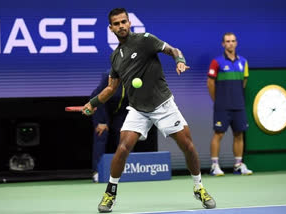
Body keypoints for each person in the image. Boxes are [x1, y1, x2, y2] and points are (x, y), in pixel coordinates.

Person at [83, 8, 216, 212]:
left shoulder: (145, 40)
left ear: (129, 23)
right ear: (111, 28)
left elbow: (173, 50)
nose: (121, 26)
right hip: (138, 110)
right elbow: (111, 88)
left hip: (163, 105)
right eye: (116, 24)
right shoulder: (115, 58)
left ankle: (199, 187)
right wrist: (92, 103)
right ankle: (110, 193)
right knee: (123, 147)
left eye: (124, 22)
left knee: (188, 146)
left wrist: (179, 61)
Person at [207, 32, 253, 176]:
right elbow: (210, 83)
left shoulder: (243, 62)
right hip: (222, 105)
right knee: (218, 134)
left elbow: (244, 82)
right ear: (223, 44)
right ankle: (214, 166)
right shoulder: (217, 62)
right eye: (227, 41)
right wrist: (218, 100)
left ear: (236, 43)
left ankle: (238, 165)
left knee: (239, 134)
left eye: (233, 41)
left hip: (238, 105)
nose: (230, 43)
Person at [91, 72, 129, 183]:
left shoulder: (136, 76)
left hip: (122, 111)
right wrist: (101, 121)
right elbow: (97, 96)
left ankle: (124, 170)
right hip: (103, 106)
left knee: (125, 137)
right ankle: (97, 172)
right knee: (101, 135)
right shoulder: (109, 76)